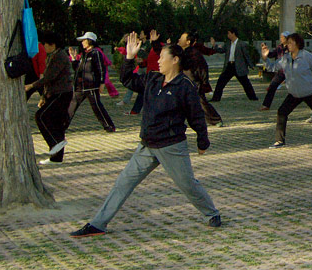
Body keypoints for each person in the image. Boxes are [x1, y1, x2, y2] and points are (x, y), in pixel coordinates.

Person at [70, 33, 220, 237]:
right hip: (147, 145)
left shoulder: (185, 86)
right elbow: (127, 79)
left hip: (171, 146)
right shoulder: (152, 79)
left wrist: (203, 141)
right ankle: (98, 224)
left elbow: (196, 118)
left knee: (188, 184)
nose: (158, 61)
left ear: (175, 60)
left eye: (162, 58)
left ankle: (211, 213)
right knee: (123, 183)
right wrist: (129, 58)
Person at [260, 33, 312, 148]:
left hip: (310, 92)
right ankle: (279, 141)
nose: (288, 45)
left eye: (291, 42)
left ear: (297, 43)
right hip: (294, 94)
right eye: (287, 43)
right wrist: (265, 58)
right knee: (282, 112)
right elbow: (272, 68)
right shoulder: (286, 58)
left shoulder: (307, 56)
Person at [25, 31, 74, 164]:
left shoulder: (60, 56)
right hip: (55, 92)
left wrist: (31, 86)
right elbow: (50, 79)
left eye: (45, 44)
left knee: (42, 116)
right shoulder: (52, 56)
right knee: (56, 122)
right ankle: (56, 157)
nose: (43, 47)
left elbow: (49, 77)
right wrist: (44, 97)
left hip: (62, 93)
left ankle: (55, 143)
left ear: (52, 44)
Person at [67, 32, 116, 133]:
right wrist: (73, 60)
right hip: (80, 86)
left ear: (90, 41)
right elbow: (78, 69)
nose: (82, 43)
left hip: (91, 86)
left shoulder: (95, 53)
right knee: (72, 105)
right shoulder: (84, 54)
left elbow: (101, 68)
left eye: (84, 40)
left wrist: (101, 83)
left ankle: (109, 125)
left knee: (96, 106)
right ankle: (62, 126)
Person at [178, 32, 222, 126]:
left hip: (193, 83)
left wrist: (204, 83)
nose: (179, 40)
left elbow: (202, 68)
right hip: (183, 82)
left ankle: (216, 120)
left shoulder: (194, 53)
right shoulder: (182, 52)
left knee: (201, 102)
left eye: (181, 38)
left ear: (188, 42)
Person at [210, 27, 258, 102]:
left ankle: (253, 97)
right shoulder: (228, 44)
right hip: (229, 66)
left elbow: (246, 56)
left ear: (233, 34)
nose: (228, 35)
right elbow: (221, 50)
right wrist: (214, 45)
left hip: (238, 66)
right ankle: (216, 98)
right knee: (221, 82)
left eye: (229, 33)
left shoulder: (242, 44)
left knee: (245, 83)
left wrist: (251, 65)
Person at [259, 32, 291, 111]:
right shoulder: (279, 47)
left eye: (282, 37)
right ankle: (266, 105)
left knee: (295, 88)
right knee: (272, 86)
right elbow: (272, 54)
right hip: (280, 71)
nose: (281, 39)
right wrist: (266, 51)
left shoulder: (291, 47)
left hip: (291, 71)